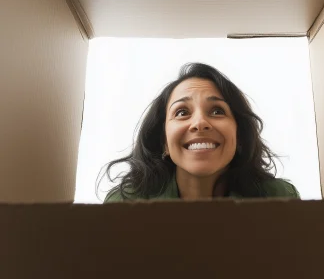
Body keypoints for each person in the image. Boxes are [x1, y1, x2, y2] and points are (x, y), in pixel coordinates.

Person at [100, 62, 300, 202]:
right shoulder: (124, 204)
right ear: (163, 141)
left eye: (217, 111)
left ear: (239, 136)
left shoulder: (280, 198)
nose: (200, 123)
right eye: (182, 112)